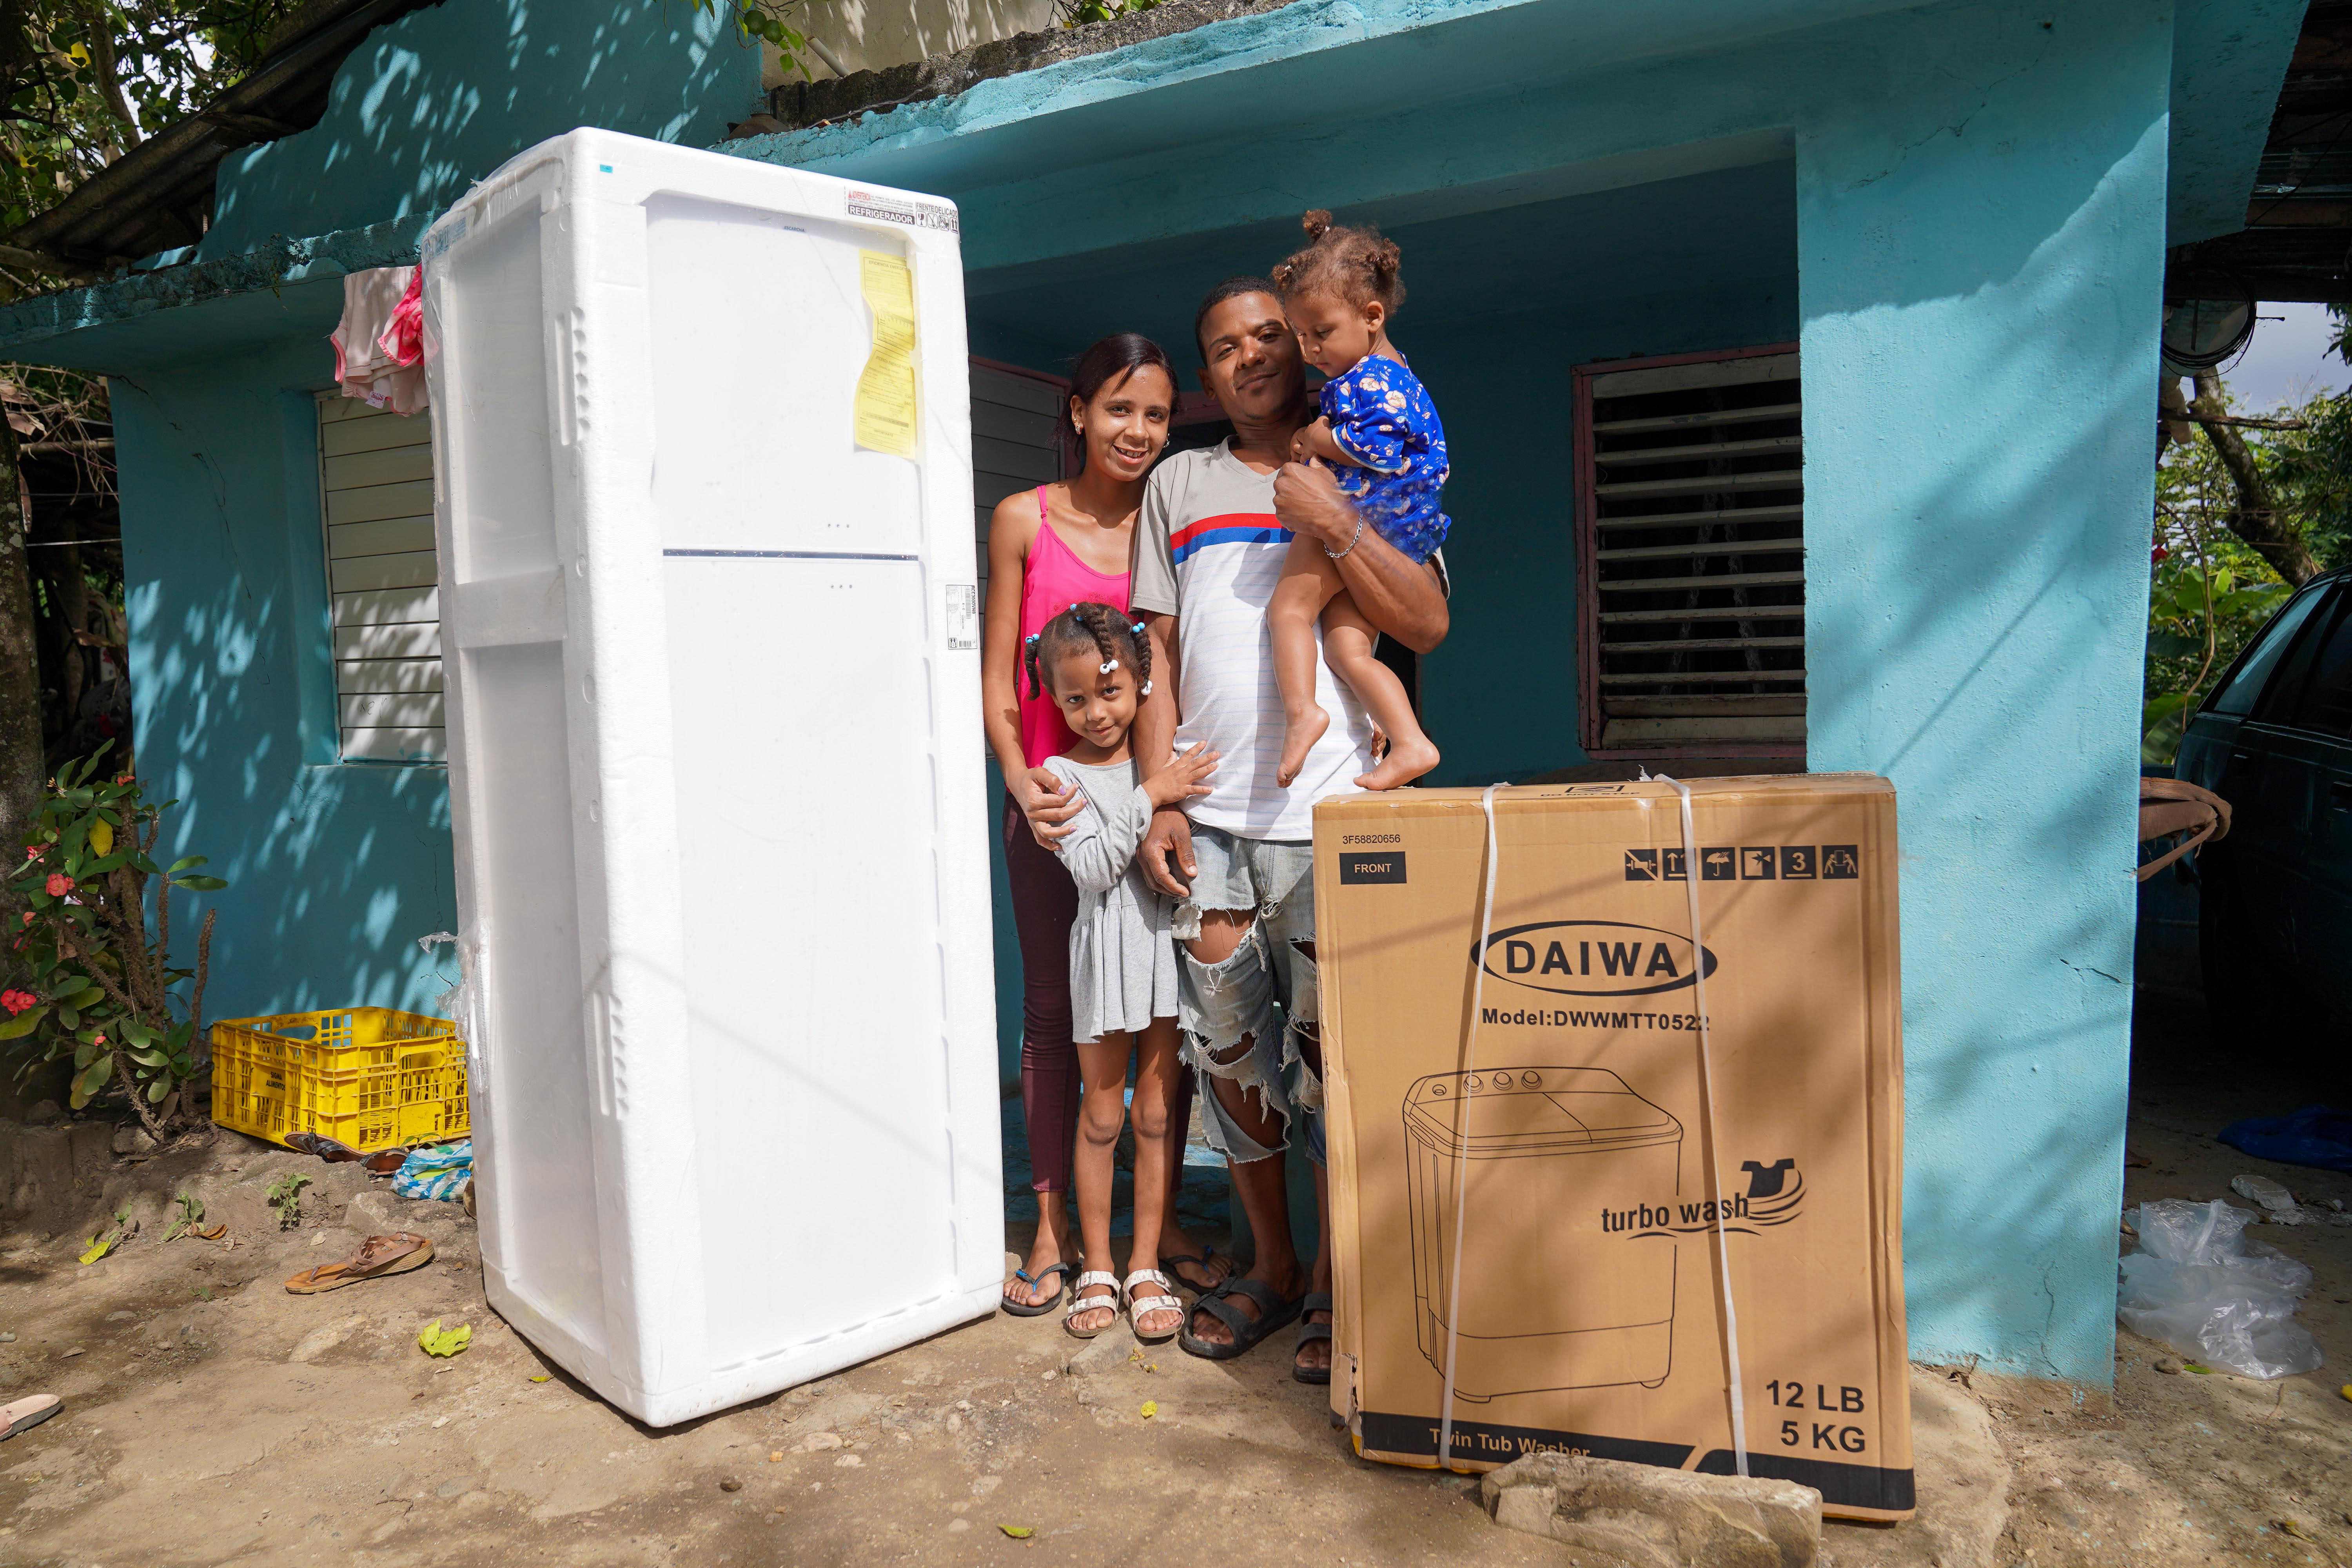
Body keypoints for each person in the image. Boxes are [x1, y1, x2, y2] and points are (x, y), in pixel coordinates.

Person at [1125, 278, 1450, 1381]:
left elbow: (1427, 623)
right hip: (1212, 822)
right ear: (1206, 375)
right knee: (1230, 1053)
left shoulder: (1362, 455)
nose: (1253, 356)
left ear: (1306, 348)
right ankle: (1270, 1264)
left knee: (1333, 1060)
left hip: (1335, 819)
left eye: (1271, 336)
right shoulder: (1180, 481)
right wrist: (1161, 796)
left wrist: (1337, 519)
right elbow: (1158, 652)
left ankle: (1333, 1281)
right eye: (1226, 347)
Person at [981, 334, 1232, 1314]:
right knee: (1057, 1015)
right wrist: (1019, 781)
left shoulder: (1173, 521)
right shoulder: (1024, 519)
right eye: (1120, 408)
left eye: (1158, 414)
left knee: (1170, 1020)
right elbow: (999, 676)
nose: (1138, 430)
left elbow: (1179, 664)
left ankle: (1155, 1236)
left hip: (1156, 806)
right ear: (1079, 411)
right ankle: (1053, 1230)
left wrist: (1166, 795)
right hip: (1055, 808)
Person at [1021, 603, 1220, 1339]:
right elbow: (1096, 869)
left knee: (1158, 1117)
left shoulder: (1163, 761)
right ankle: (1099, 1266)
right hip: (1103, 964)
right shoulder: (1058, 777)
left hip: (1162, 956)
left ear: (1141, 683)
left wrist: (1159, 785)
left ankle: (1144, 1266)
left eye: (1110, 692)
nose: (1096, 713)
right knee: (1102, 1118)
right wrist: (1151, 795)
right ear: (1055, 699)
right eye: (1076, 699)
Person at [1266, 211, 1446, 792]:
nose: (1310, 349)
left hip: (1365, 512)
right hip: (1394, 526)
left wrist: (1317, 437)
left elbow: (1376, 451)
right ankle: (1411, 741)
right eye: (1301, 335)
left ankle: (1303, 713)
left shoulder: (1373, 379)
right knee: (1349, 651)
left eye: (1321, 332)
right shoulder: (1390, 372)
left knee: (1288, 612)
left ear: (1372, 317)